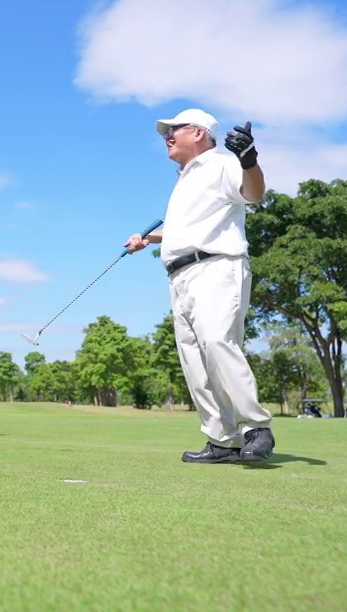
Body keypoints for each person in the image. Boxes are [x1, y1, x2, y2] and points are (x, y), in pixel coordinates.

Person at [123, 108, 275, 464]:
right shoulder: (185, 177)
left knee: (218, 341)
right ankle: (222, 440)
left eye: (174, 129)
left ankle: (255, 427)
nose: (167, 136)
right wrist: (150, 239)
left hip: (216, 266)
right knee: (194, 360)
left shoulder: (222, 162)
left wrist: (249, 160)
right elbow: (189, 227)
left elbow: (253, 193)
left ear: (198, 133)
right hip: (180, 275)